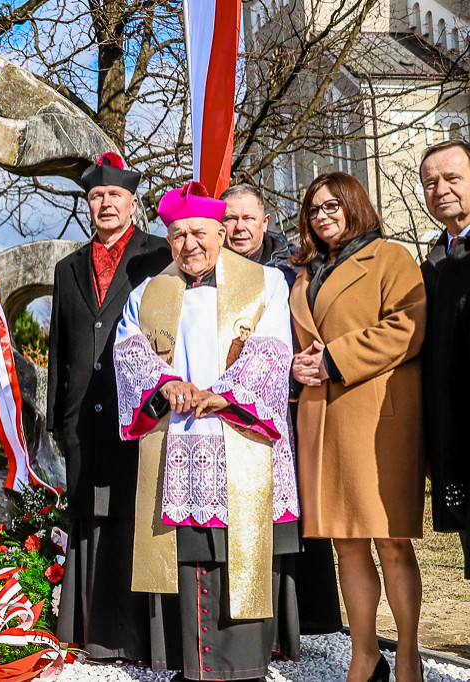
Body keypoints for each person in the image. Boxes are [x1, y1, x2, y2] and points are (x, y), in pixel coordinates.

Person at [113, 181, 301, 681]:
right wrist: (167, 383)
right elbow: (128, 351)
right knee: (189, 554)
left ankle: (243, 668)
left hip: (241, 439)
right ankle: (191, 667)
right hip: (179, 441)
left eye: (199, 232)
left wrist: (226, 395)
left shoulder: (265, 283)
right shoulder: (147, 293)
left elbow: (271, 347)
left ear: (220, 232)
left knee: (242, 552)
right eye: (177, 235)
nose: (189, 244)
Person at [289, 171, 426, 682]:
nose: (322, 216)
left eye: (332, 206)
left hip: (377, 422)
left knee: (390, 540)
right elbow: (299, 345)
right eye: (314, 209)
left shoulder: (390, 258)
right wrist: (299, 368)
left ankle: (409, 656)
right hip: (322, 419)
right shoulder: (304, 272)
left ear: (354, 205)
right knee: (346, 543)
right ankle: (365, 654)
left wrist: (333, 360)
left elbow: (406, 328)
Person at [48, 152, 172, 661]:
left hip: (141, 408)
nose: (104, 204)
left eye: (114, 196)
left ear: (132, 201)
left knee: (133, 514)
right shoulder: (68, 267)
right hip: (83, 416)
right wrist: (59, 418)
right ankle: (89, 632)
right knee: (89, 517)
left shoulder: (159, 254)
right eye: (96, 196)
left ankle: (138, 637)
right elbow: (60, 346)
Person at [221, 184, 341, 639]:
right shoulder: (212, 268)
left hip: (292, 403)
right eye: (229, 220)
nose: (238, 228)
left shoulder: (295, 269)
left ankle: (309, 616)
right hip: (233, 408)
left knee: (302, 514)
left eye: (247, 219)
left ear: (265, 221)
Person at [419, 140, 470, 581]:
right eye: (431, 182)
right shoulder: (434, 265)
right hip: (457, 434)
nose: (442, 189)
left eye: (453, 178)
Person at [220, 184, 297, 283]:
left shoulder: (293, 270)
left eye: (248, 218)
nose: (239, 227)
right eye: (231, 219)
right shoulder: (204, 269)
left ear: (264, 223)